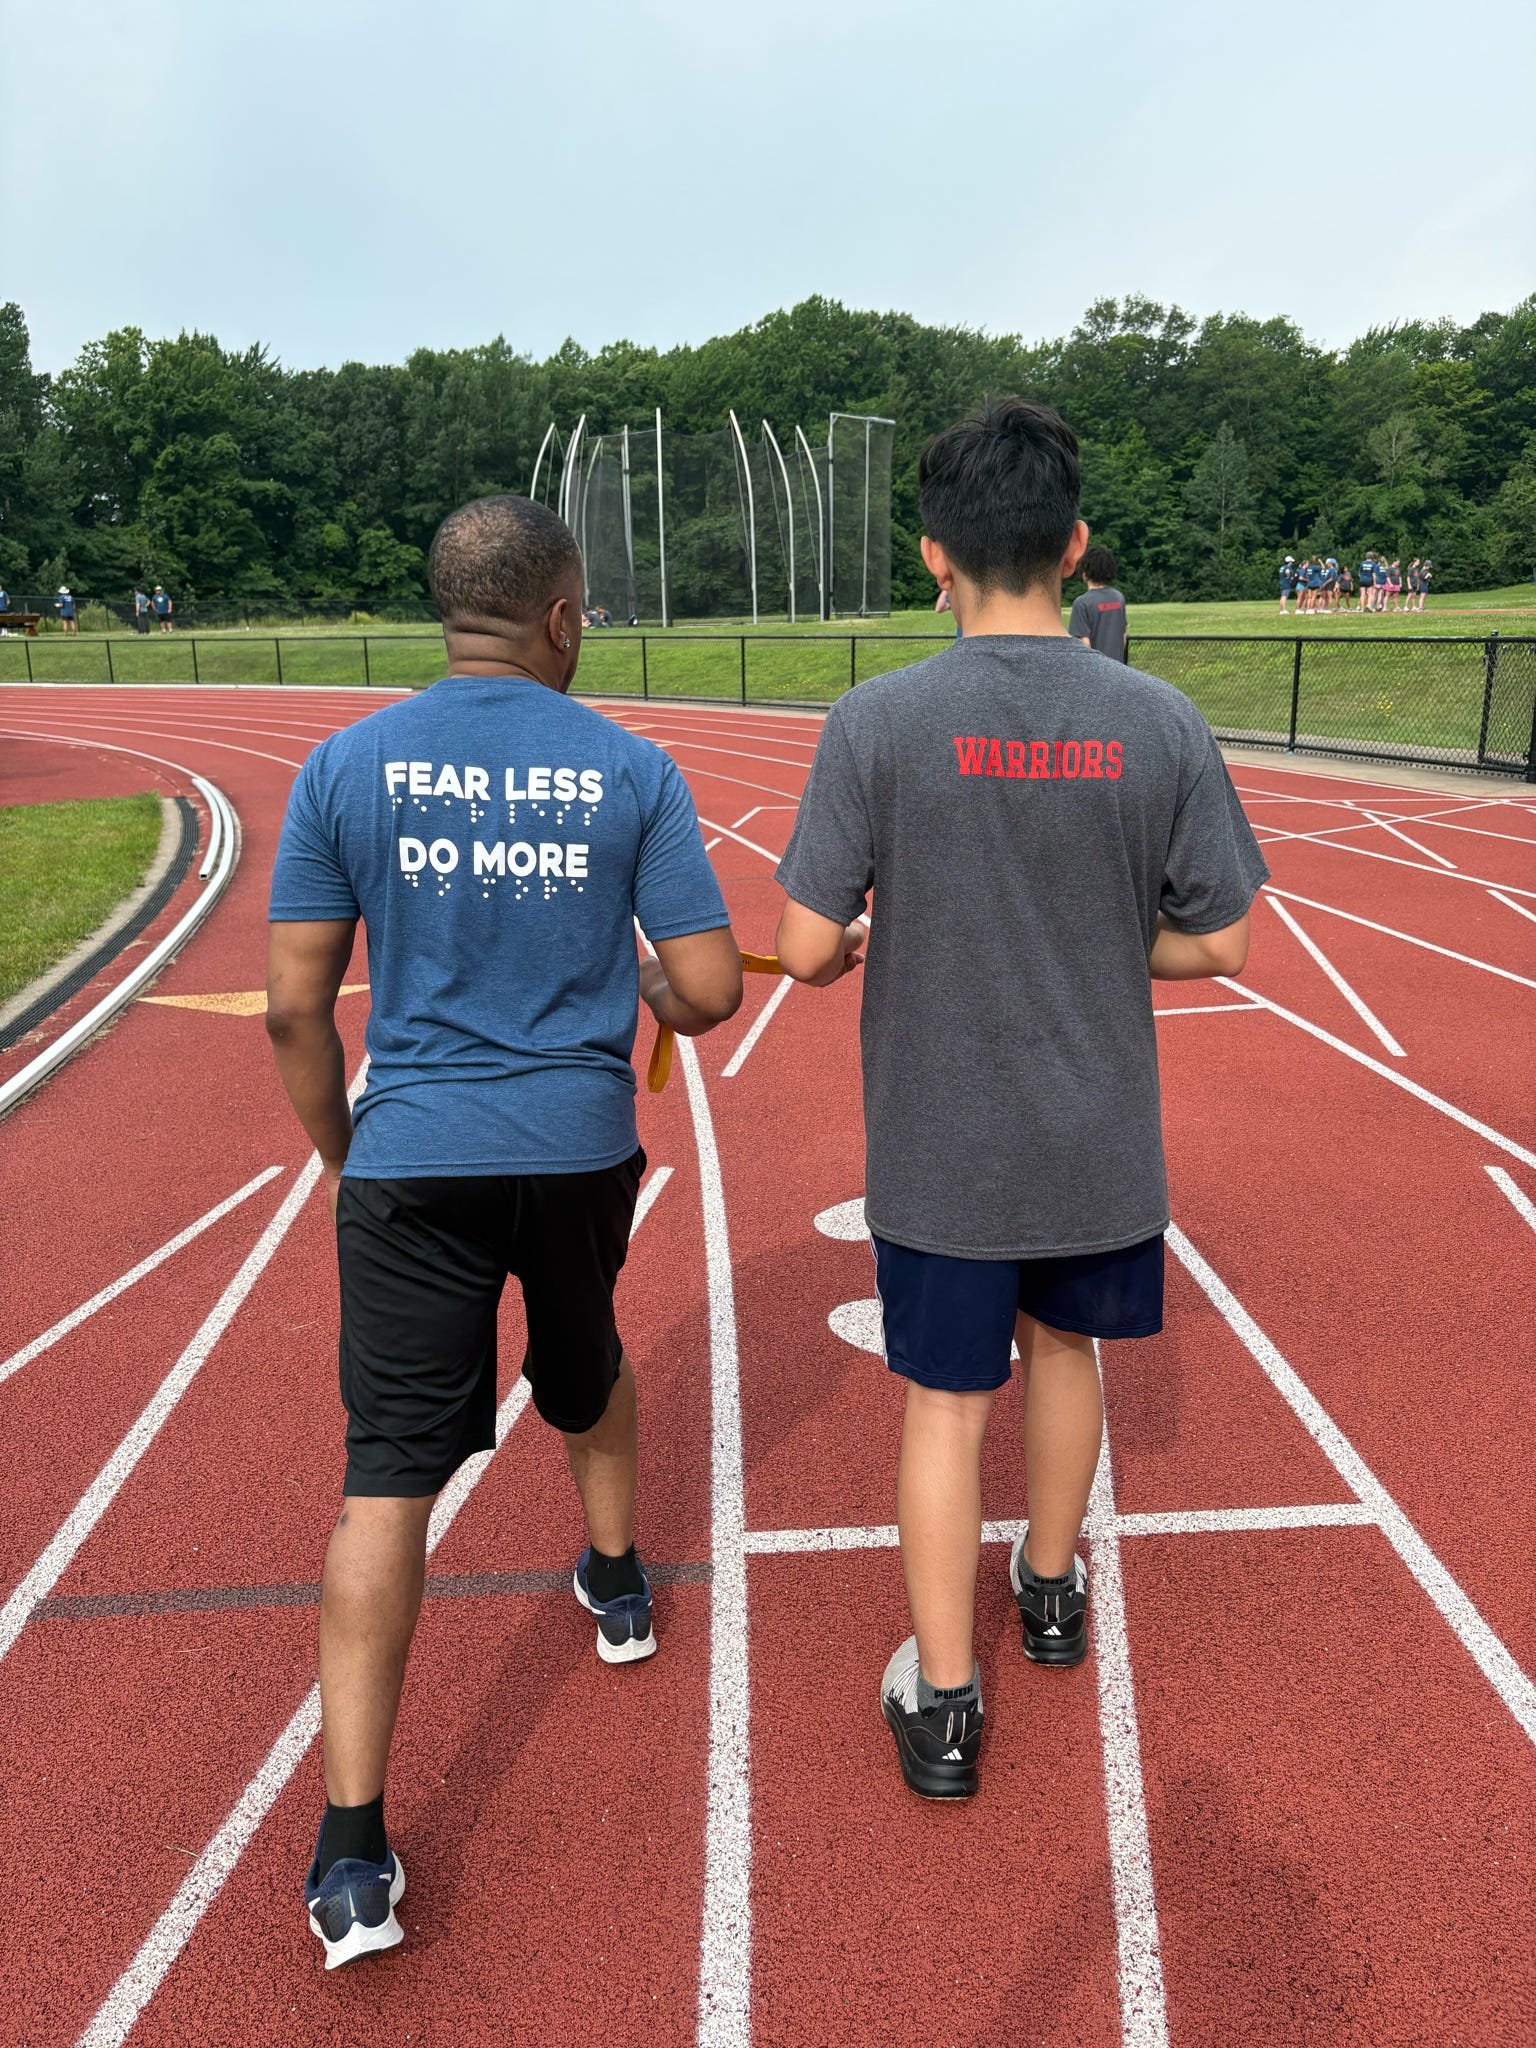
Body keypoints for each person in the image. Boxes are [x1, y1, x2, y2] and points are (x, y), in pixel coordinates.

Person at [265, 493, 741, 1968]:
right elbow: (713, 986)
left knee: (387, 1480)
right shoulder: (632, 768)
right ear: (562, 615)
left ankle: (351, 1848)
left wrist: (352, 1149)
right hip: (577, 1144)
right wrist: (657, 1000)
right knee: (586, 1364)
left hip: (411, 1155)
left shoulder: (341, 767)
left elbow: (293, 1006)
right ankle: (613, 1581)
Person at [773, 398, 1268, 1802]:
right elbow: (1220, 939)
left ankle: (942, 1702)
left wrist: (889, 930)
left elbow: (805, 948)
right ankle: (1050, 1593)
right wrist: (1096, 932)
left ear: (935, 555)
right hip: (1096, 1134)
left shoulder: (877, 723)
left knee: (944, 1407)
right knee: (1068, 1358)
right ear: (1077, 545)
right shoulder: (1157, 720)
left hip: (942, 1141)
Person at [1068, 544, 1127, 660]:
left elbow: (1084, 643)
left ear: (1085, 572)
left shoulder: (1081, 603)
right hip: (1118, 667)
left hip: (1095, 671)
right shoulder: (1119, 597)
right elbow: (1123, 637)